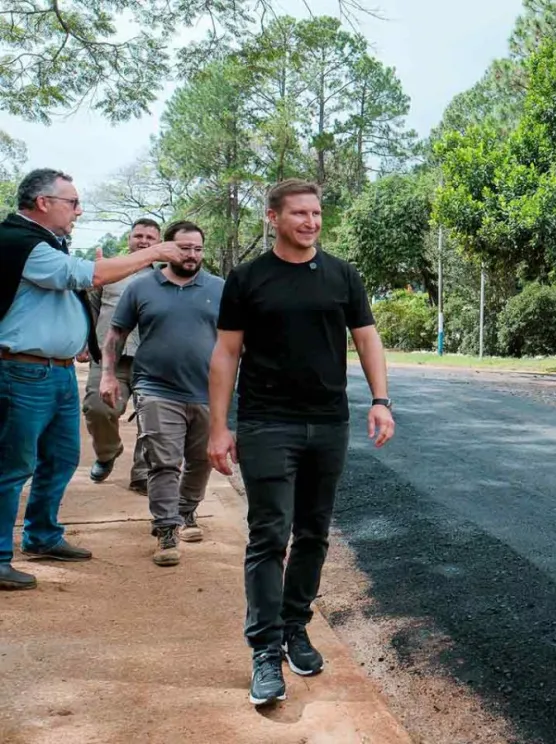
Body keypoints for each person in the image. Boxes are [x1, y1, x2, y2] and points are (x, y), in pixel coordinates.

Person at [206, 178, 395, 707]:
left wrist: (381, 400)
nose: (311, 222)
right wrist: (219, 426)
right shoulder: (248, 279)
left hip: (329, 423)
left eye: (316, 213)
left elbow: (366, 338)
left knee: (313, 533)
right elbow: (226, 353)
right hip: (267, 423)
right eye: (299, 214)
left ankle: (295, 627)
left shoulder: (342, 274)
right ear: (273, 218)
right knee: (270, 536)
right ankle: (264, 650)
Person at [0, 168, 184, 591]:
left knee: (62, 458)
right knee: (12, 466)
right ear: (43, 203)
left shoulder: (47, 242)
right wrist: (156, 251)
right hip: (22, 372)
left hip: (58, 371)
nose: (79, 211)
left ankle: (42, 536)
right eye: (72, 202)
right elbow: (90, 276)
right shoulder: (19, 242)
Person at [100, 220, 223, 567]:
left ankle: (186, 510)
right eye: (184, 248)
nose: (192, 254)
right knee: (164, 461)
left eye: (198, 248)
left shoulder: (220, 288)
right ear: (167, 248)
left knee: (201, 460)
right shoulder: (141, 287)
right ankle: (166, 528)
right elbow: (115, 335)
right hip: (155, 388)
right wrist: (108, 375)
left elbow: (238, 340)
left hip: (207, 390)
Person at [84, 218, 162, 492]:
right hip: (109, 358)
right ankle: (107, 452)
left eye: (150, 237)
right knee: (97, 408)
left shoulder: (165, 277)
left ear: (159, 243)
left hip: (151, 360)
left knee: (153, 418)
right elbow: (91, 309)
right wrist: (85, 343)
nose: (143, 241)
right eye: (138, 236)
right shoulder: (109, 270)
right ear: (129, 238)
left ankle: (142, 474)